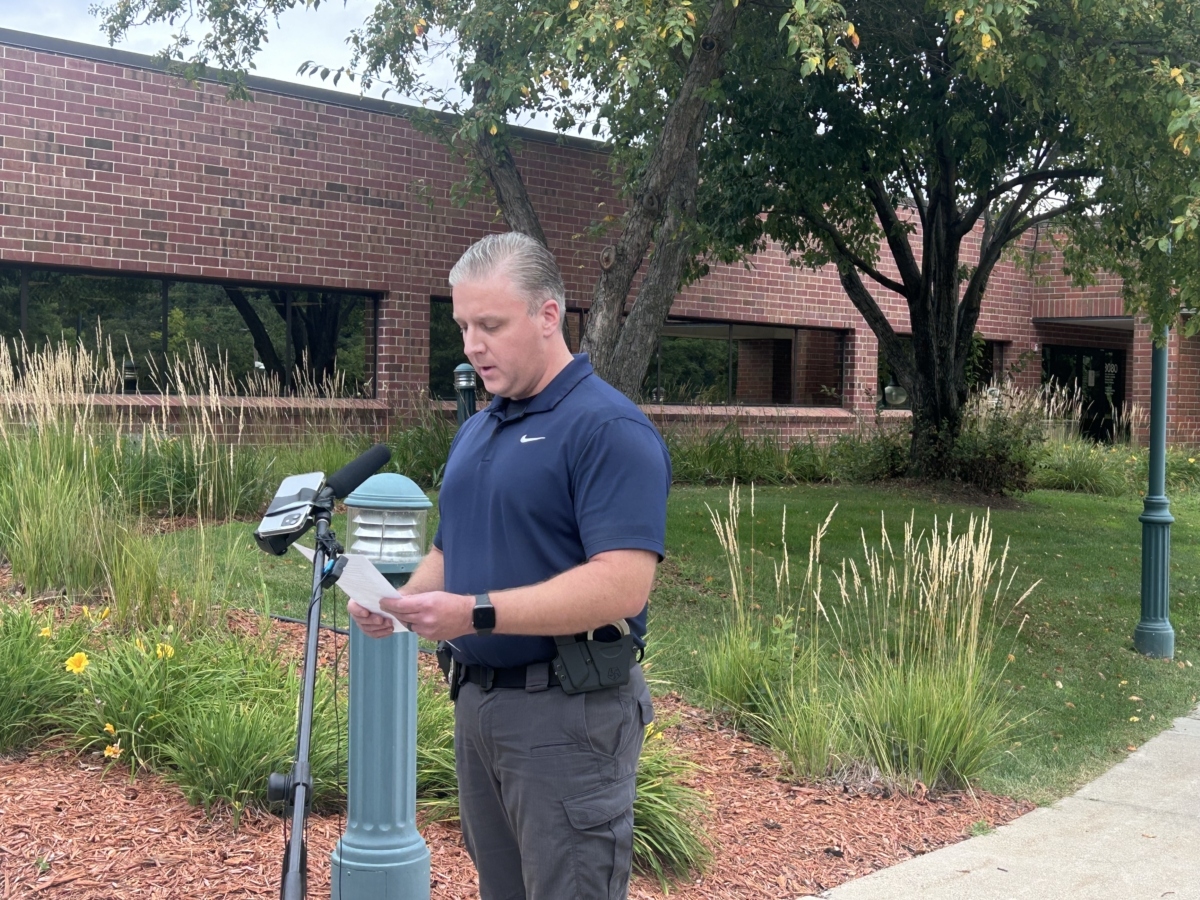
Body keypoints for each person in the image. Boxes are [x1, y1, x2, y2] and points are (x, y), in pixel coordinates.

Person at [347, 231, 671, 900]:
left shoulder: (608, 429)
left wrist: (477, 612)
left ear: (547, 315)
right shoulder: (479, 428)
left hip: (568, 715)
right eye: (464, 324)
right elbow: (450, 548)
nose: (471, 343)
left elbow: (622, 583)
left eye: (489, 324)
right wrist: (399, 600)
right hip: (480, 708)